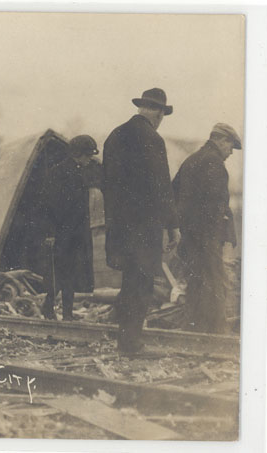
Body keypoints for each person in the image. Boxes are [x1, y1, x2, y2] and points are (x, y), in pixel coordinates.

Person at [103, 88, 180, 354]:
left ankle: (125, 341)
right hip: (145, 228)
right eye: (162, 114)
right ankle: (132, 343)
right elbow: (162, 187)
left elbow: (107, 185)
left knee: (128, 282)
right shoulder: (152, 139)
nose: (161, 118)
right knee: (142, 283)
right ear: (158, 112)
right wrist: (173, 226)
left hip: (119, 228)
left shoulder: (114, 136)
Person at [172, 123, 241, 334]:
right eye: (230, 146)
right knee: (214, 284)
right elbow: (217, 205)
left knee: (195, 284)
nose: (230, 152)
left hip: (190, 236)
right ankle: (214, 333)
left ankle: (194, 330)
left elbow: (173, 193)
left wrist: (183, 226)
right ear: (220, 140)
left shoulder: (190, 161)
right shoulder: (215, 164)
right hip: (208, 236)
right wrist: (222, 235)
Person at [35, 135, 101, 321]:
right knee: (60, 273)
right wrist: (50, 233)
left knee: (70, 273)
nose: (89, 158)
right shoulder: (58, 173)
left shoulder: (82, 171)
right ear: (77, 154)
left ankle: (66, 313)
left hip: (76, 233)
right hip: (62, 233)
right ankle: (50, 307)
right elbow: (48, 206)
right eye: (87, 154)